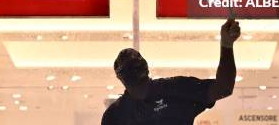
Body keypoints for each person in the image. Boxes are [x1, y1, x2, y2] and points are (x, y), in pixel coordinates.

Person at [101, 18, 240, 124]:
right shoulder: (115, 115)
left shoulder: (175, 89)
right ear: (121, 77)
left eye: (135, 63)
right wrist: (226, 45)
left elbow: (223, 88)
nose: (134, 69)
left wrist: (227, 45)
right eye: (128, 68)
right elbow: (223, 88)